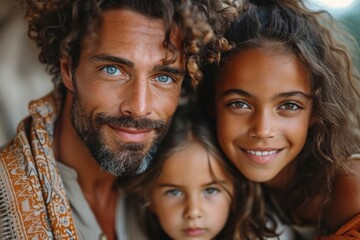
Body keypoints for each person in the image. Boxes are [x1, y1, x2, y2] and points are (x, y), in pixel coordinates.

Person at [0, 0, 241, 239]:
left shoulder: (172, 179)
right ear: (68, 69)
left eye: (164, 77)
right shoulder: (6, 205)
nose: (139, 108)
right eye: (113, 70)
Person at [199, 0, 360, 239]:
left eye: (289, 105)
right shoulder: (206, 180)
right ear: (212, 104)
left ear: (317, 110)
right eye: (239, 104)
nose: (263, 130)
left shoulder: (350, 186)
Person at [123, 109, 286, 240]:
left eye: (211, 190)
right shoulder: (129, 230)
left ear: (236, 192)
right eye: (174, 192)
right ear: (148, 198)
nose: (193, 212)